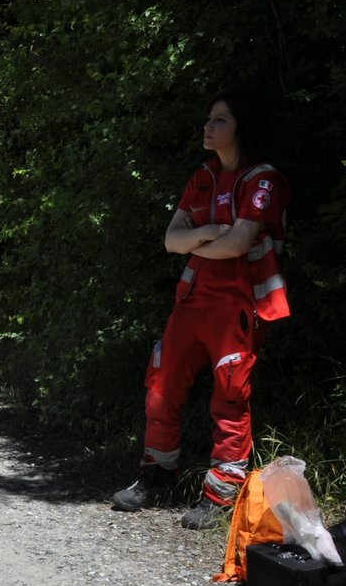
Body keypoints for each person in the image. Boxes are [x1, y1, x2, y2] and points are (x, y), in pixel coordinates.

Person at [110, 92, 290, 529]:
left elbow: (239, 244)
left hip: (236, 305)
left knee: (230, 396)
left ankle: (220, 493)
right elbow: (171, 241)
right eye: (209, 118)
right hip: (191, 303)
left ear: (241, 127)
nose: (208, 127)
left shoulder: (263, 181)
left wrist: (201, 241)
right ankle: (157, 474)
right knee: (160, 387)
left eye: (220, 120)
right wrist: (211, 231)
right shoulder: (202, 177)